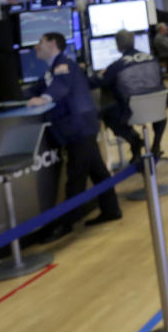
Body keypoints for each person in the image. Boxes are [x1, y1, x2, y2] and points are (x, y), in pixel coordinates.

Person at [27, 32, 121, 241]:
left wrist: (43, 99)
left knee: (76, 177)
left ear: (52, 43)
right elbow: (41, 86)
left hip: (78, 127)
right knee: (97, 171)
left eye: (40, 42)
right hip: (82, 126)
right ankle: (111, 209)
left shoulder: (63, 66)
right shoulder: (55, 68)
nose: (36, 47)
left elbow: (59, 88)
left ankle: (67, 225)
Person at [90, 29, 168, 161]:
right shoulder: (153, 59)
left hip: (132, 111)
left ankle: (134, 141)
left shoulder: (117, 65)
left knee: (108, 115)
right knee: (159, 107)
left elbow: (98, 82)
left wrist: (96, 75)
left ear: (118, 45)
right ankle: (156, 145)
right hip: (157, 109)